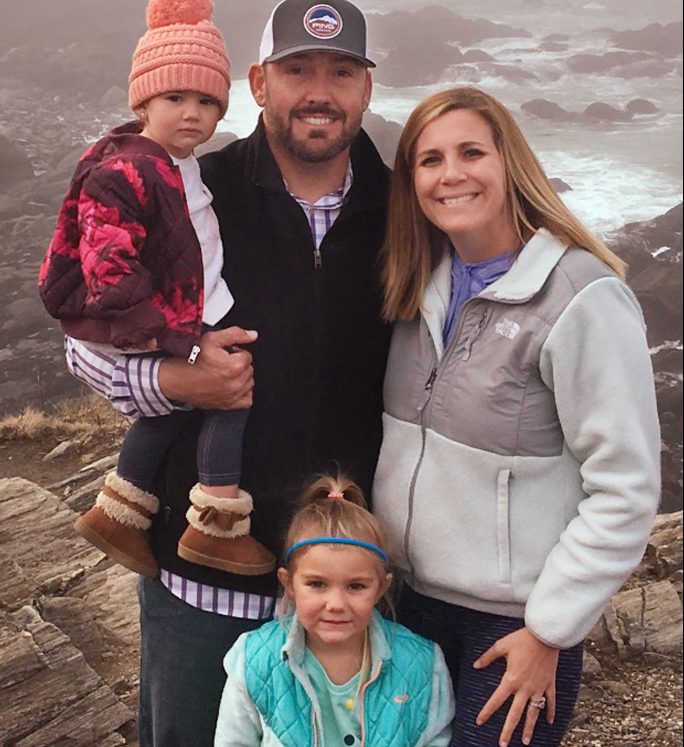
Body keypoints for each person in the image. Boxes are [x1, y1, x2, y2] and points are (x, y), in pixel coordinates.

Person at [57, 1, 391, 744]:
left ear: (366, 91)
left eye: (342, 72)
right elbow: (86, 335)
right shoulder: (187, 192)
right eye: (297, 69)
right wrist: (177, 383)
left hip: (346, 580)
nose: (319, 91)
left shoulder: (405, 211)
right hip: (196, 581)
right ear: (258, 84)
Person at [372, 86, 661, 747]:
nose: (451, 174)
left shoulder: (582, 296)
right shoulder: (414, 285)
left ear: (510, 164)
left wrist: (550, 630)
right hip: (402, 610)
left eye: (471, 152)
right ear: (410, 181)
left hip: (507, 628)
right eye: (429, 159)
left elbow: (627, 486)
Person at [38, 0, 275, 579]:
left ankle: (119, 511)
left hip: (173, 315)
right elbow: (111, 275)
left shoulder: (177, 160)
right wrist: (185, 343)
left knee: (173, 411)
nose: (192, 114)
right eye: (175, 98)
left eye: (207, 102)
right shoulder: (124, 170)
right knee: (229, 390)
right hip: (148, 321)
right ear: (142, 100)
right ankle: (218, 520)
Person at [214, 473, 455, 746]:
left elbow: (436, 739)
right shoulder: (255, 660)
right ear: (289, 583)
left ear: (381, 588)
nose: (336, 604)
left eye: (356, 586)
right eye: (317, 584)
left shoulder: (420, 664)